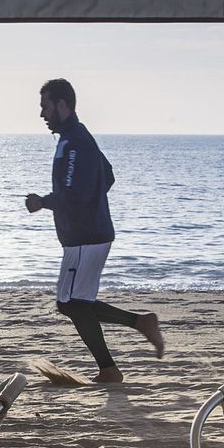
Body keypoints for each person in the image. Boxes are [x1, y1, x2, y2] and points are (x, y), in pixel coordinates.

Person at [24, 78, 163, 384]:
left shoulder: (75, 141)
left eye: (45, 106)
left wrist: (41, 202)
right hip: (86, 234)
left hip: (86, 237)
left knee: (70, 303)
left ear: (62, 105)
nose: (42, 114)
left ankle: (124, 346)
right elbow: (107, 175)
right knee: (73, 303)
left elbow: (75, 193)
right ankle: (120, 351)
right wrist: (92, 202)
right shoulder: (75, 138)